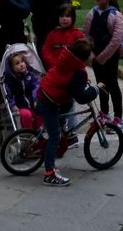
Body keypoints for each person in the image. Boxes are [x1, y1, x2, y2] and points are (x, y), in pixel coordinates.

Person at [36, 37, 102, 187]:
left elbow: (70, 83)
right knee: (55, 136)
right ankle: (49, 174)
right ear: (84, 58)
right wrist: (95, 89)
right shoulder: (78, 71)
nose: (93, 55)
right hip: (49, 100)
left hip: (47, 93)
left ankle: (56, 131)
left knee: (64, 111)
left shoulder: (67, 60)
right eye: (91, 53)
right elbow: (81, 97)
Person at [84, 0, 123, 129]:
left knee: (113, 85)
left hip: (110, 57)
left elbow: (116, 40)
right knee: (101, 85)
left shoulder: (116, 15)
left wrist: (101, 57)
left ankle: (118, 118)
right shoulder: (92, 13)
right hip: (96, 56)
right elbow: (86, 35)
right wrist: (90, 53)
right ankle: (104, 114)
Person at [3, 51, 41, 130]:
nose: (21, 64)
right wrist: (13, 105)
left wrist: (36, 99)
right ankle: (29, 133)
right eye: (17, 64)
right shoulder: (11, 80)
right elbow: (8, 94)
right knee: (26, 115)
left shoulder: (30, 75)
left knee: (40, 111)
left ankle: (38, 131)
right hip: (20, 106)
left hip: (33, 102)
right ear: (11, 68)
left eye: (22, 61)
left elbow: (36, 87)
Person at [41, 3, 84, 70]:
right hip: (55, 68)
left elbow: (81, 54)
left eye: (67, 16)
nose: (64, 19)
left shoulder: (77, 34)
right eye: (62, 16)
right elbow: (45, 50)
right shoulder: (53, 34)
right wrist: (53, 63)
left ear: (73, 18)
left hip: (72, 70)